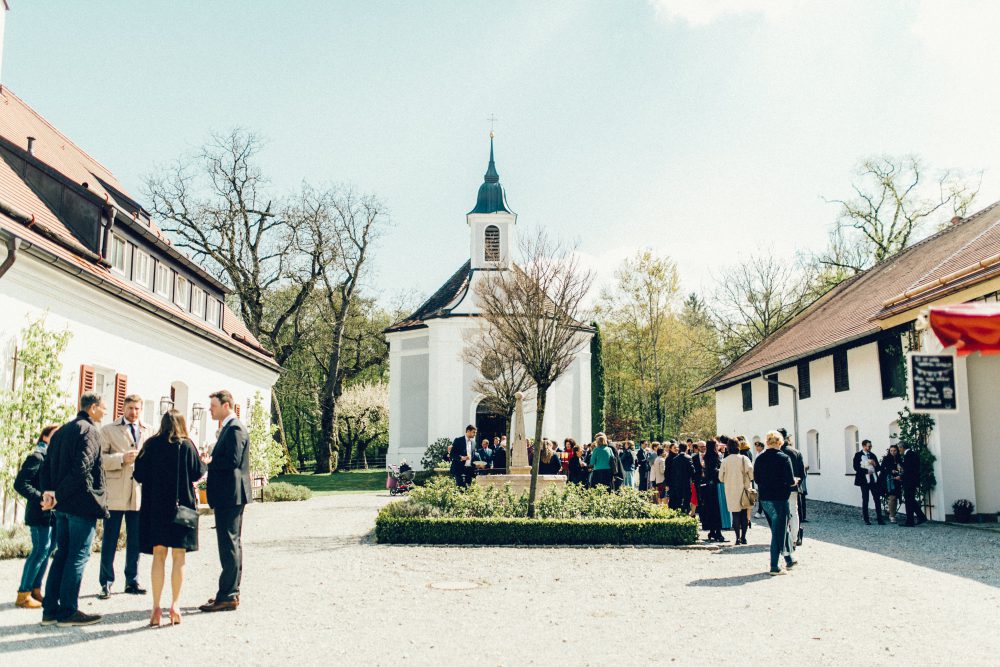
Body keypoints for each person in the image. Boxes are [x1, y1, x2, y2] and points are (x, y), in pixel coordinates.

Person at [40, 392, 109, 626]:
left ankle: (50, 610)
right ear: (92, 408)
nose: (105, 412)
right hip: (80, 504)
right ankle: (68, 611)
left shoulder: (62, 432)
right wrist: (56, 494)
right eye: (103, 407)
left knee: (61, 555)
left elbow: (47, 466)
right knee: (77, 556)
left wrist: (49, 493)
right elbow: (83, 468)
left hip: (62, 505)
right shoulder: (89, 430)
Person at [132, 410, 206, 626]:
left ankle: (156, 607)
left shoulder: (151, 445)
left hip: (155, 508)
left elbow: (138, 475)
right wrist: (204, 461)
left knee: (158, 556)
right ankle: (175, 604)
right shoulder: (187, 445)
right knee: (179, 557)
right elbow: (197, 473)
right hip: (181, 508)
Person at [199, 390, 251, 613]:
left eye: (213, 406)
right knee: (232, 543)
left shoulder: (235, 428)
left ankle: (228, 595)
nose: (210, 409)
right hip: (230, 494)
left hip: (231, 494)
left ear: (226, 405)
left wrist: (210, 461)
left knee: (229, 544)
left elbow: (232, 461)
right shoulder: (228, 428)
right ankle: (229, 592)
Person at [98, 394, 150, 599]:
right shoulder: (108, 430)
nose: (134, 412)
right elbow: (98, 460)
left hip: (137, 493)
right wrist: (120, 458)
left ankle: (132, 580)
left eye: (137, 409)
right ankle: (106, 582)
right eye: (130, 408)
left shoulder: (149, 430)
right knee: (110, 539)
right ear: (123, 408)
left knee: (135, 541)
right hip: (116, 492)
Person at [13, 425, 59, 609]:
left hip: (53, 514)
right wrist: (41, 497)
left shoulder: (53, 458)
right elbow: (20, 484)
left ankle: (35, 590)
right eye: (54, 435)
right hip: (39, 512)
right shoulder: (37, 456)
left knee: (48, 550)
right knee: (40, 550)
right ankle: (23, 594)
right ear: (45, 437)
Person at [754, 431, 797, 575]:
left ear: (767, 442)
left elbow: (757, 479)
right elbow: (790, 481)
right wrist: (795, 481)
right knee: (778, 531)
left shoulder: (760, 459)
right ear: (780, 442)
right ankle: (774, 566)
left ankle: (789, 559)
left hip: (765, 498)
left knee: (778, 529)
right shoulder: (784, 458)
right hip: (779, 498)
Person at [719, 438, 754, 545]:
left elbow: (721, 477)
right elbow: (752, 474)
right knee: (744, 514)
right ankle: (744, 537)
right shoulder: (744, 458)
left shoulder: (725, 460)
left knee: (735, 515)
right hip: (744, 489)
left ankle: (737, 538)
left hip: (731, 490)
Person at [779, 430, 805, 546]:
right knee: (794, 512)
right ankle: (794, 538)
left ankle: (783, 537)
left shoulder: (775, 452)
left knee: (780, 513)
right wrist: (797, 483)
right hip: (793, 487)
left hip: (778, 488)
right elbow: (802, 473)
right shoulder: (795, 452)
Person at [853, 439, 885, 525]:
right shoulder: (858, 455)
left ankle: (880, 519)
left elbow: (878, 468)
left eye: (871, 446)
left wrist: (874, 464)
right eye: (868, 446)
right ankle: (866, 519)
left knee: (877, 499)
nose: (870, 447)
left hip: (873, 480)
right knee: (865, 499)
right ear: (863, 446)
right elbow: (856, 467)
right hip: (863, 480)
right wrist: (866, 471)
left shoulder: (872, 455)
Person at [698, 440, 724, 542]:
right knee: (716, 509)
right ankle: (717, 532)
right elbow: (714, 470)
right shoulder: (714, 455)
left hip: (708, 485)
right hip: (714, 485)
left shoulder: (707, 456)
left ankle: (713, 531)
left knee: (710, 508)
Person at [900, 441, 928, 527]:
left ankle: (910, 521)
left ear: (902, 447)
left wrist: (901, 474)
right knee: (910, 500)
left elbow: (908, 468)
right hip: (912, 480)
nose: (899, 450)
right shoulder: (912, 454)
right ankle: (921, 516)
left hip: (909, 481)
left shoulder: (908, 455)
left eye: (899, 448)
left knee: (909, 500)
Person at [665, 442, 694, 512]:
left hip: (677, 481)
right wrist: (667, 483)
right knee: (678, 498)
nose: (676, 449)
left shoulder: (675, 458)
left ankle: (678, 511)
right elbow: (667, 472)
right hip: (675, 482)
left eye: (677, 448)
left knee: (678, 498)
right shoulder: (670, 458)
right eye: (674, 448)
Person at [880, 445, 903, 523]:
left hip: (897, 480)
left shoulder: (900, 459)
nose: (893, 452)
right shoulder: (886, 458)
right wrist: (891, 471)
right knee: (892, 497)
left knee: (896, 497)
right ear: (889, 451)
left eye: (894, 450)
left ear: (897, 451)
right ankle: (892, 515)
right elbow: (882, 468)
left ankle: (892, 513)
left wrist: (900, 470)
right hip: (889, 480)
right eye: (891, 451)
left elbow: (902, 469)